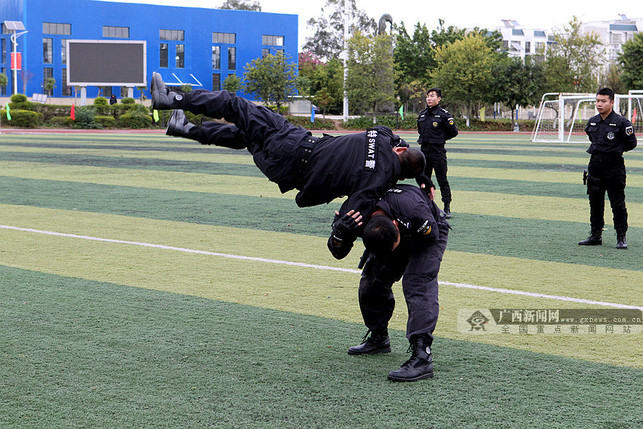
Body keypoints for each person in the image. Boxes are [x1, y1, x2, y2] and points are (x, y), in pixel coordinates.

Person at [151, 72, 428, 221]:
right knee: (245, 135)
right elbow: (349, 214)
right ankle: (186, 129)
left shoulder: (382, 140)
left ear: (402, 151)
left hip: (295, 144)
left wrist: (422, 176)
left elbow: (388, 135)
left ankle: (171, 99)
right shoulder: (376, 185)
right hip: (282, 173)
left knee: (237, 107)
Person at [327, 184, 449, 382]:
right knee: (372, 281)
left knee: (417, 283)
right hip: (390, 234)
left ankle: (422, 356)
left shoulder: (414, 210)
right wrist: (340, 233)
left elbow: (431, 235)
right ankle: (379, 338)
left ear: (394, 223)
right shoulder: (354, 212)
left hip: (427, 232)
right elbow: (338, 252)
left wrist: (406, 251)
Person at [578, 87, 637, 249]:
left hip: (614, 168)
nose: (599, 104)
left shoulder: (621, 122)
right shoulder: (592, 122)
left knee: (617, 203)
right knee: (595, 203)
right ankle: (595, 235)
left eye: (603, 101)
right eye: (597, 101)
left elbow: (631, 143)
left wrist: (615, 150)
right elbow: (592, 138)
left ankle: (621, 237)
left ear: (611, 102)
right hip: (595, 167)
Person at [417, 88, 458, 218]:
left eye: (432, 96)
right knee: (424, 179)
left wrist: (440, 139)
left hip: (438, 152)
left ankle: (447, 208)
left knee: (442, 180)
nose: (429, 98)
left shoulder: (444, 115)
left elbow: (453, 131)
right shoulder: (422, 115)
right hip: (424, 152)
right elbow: (420, 131)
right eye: (428, 96)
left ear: (439, 98)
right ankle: (426, 206)